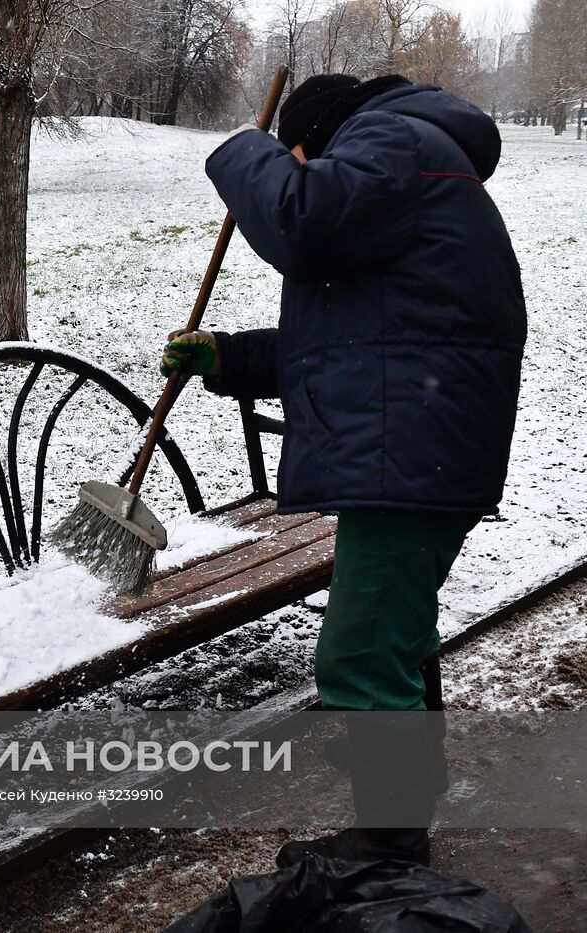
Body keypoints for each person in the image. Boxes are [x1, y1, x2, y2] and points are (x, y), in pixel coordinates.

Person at [160, 74, 526, 865]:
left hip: (413, 443)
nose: (294, 167)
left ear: (314, 139)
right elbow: (364, 342)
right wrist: (228, 357)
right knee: (393, 633)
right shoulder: (413, 162)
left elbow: (298, 218)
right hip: (425, 434)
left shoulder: (392, 140)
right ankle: (406, 803)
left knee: (361, 647)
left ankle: (389, 845)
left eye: (295, 154)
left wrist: (244, 150)